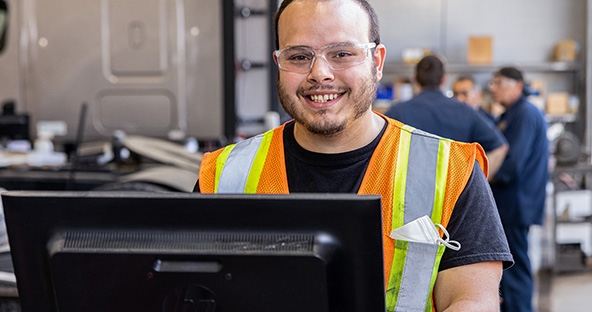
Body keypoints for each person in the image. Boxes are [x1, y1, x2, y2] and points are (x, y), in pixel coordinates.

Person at [195, 0, 513, 311]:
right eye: (299, 56)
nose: (319, 73)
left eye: (342, 54)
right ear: (279, 63)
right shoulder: (223, 175)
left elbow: (471, 300)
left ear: (377, 62)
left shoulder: (453, 172)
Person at [384, 55, 508, 179]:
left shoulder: (397, 112)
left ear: (415, 79)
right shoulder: (465, 112)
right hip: (455, 194)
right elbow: (500, 147)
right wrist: (476, 183)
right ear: (444, 79)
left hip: (406, 194)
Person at [488, 66, 549, 312]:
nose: (493, 88)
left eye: (499, 83)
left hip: (516, 202)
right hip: (515, 202)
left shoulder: (523, 114)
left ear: (517, 85)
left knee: (514, 267)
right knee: (511, 265)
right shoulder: (513, 114)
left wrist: (485, 179)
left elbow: (512, 163)